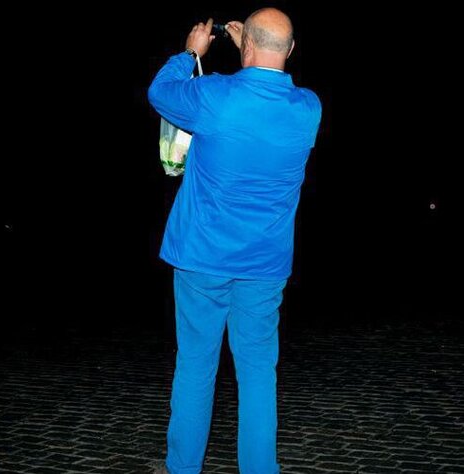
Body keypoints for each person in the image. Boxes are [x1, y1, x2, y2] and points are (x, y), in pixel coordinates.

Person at [148, 7, 321, 474]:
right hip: (264, 265)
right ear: (292, 50)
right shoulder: (308, 108)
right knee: (259, 374)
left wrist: (191, 54)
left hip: (201, 257)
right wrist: (251, 47)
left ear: (246, 46)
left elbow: (160, 92)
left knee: (196, 368)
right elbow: (265, 85)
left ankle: (183, 469)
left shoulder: (214, 96)